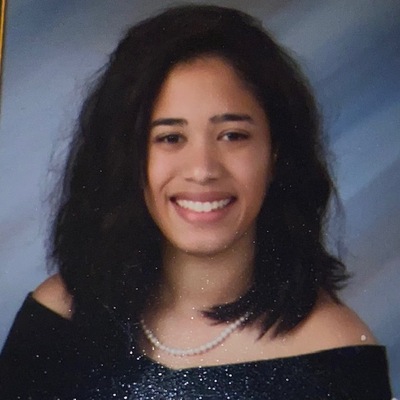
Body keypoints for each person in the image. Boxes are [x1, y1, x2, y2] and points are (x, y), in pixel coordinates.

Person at [0, 4, 393, 399]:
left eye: (233, 136)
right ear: (128, 159)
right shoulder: (59, 318)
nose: (203, 170)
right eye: (170, 138)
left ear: (275, 154)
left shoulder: (337, 358)